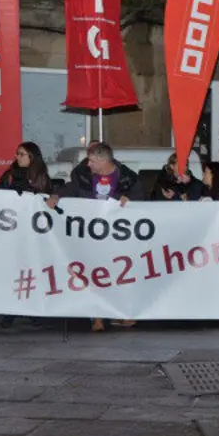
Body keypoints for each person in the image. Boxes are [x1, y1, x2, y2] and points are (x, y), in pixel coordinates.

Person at [48, 142, 145, 332]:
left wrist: (130, 199)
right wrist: (56, 196)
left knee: (119, 273)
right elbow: (71, 188)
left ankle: (123, 313)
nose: (88, 164)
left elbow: (142, 198)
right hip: (91, 234)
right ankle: (97, 316)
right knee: (95, 273)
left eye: (92, 161)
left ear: (102, 160)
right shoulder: (84, 176)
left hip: (117, 236)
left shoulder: (128, 178)